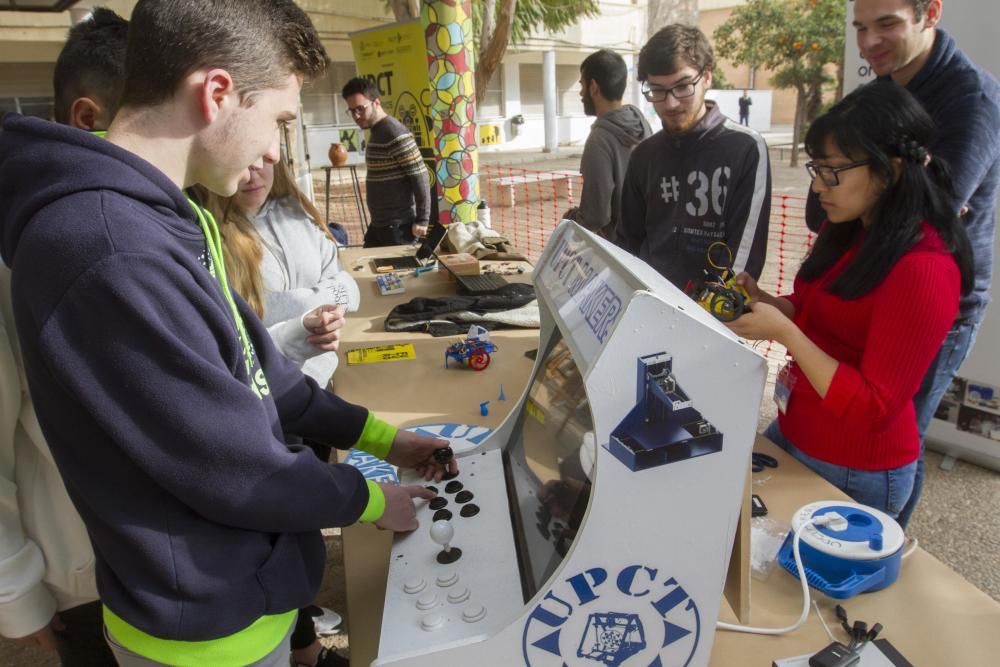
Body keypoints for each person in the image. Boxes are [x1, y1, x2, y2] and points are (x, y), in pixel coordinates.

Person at [0, 2, 452, 666]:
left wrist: (386, 438)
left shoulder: (165, 214)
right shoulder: (108, 248)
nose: (275, 149)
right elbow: (236, 467)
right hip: (203, 631)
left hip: (243, 594)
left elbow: (264, 371)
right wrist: (373, 498)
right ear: (216, 94)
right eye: (278, 121)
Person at [729, 81, 974, 519]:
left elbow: (874, 407)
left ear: (891, 168)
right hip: (799, 430)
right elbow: (819, 311)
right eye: (817, 169)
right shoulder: (849, 230)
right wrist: (764, 300)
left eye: (834, 172)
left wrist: (783, 331)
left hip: (854, 466)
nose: (820, 188)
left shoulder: (924, 267)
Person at [806, 0, 1000, 528]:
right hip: (862, 279)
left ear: (930, 12)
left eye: (886, 24)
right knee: (847, 416)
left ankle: (886, 539)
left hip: (932, 298)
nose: (869, 43)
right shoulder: (879, 90)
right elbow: (820, 208)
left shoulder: (973, 98)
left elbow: (925, 210)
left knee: (893, 434)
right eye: (860, 28)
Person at [0, 8, 127, 666]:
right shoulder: (14, 251)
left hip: (160, 560)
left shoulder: (143, 226)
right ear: (87, 118)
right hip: (82, 581)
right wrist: (18, 597)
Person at [618, 24, 770, 290]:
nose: (671, 103)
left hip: (712, 317)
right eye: (658, 90)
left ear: (707, 78)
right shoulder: (644, 155)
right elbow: (627, 244)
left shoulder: (744, 147)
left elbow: (743, 260)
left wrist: (706, 312)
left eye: (683, 86)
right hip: (648, 306)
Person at [205, 157, 360, 387]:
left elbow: (352, 291)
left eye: (261, 156)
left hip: (325, 381)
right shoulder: (208, 239)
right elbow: (237, 344)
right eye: (242, 158)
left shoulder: (295, 211)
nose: (253, 170)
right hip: (273, 396)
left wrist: (299, 305)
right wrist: (304, 317)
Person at [566, 49, 652, 240]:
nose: (580, 93)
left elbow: (595, 216)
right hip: (648, 247)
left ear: (594, 87)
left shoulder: (600, 139)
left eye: (582, 84)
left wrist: (571, 219)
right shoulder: (642, 124)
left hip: (619, 252)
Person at [341, 77, 431, 247]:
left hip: (398, 229)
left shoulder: (394, 132)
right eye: (352, 111)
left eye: (360, 108)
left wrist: (423, 219)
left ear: (376, 103)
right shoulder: (377, 131)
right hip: (379, 226)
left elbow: (420, 176)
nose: (356, 116)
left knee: (400, 273)